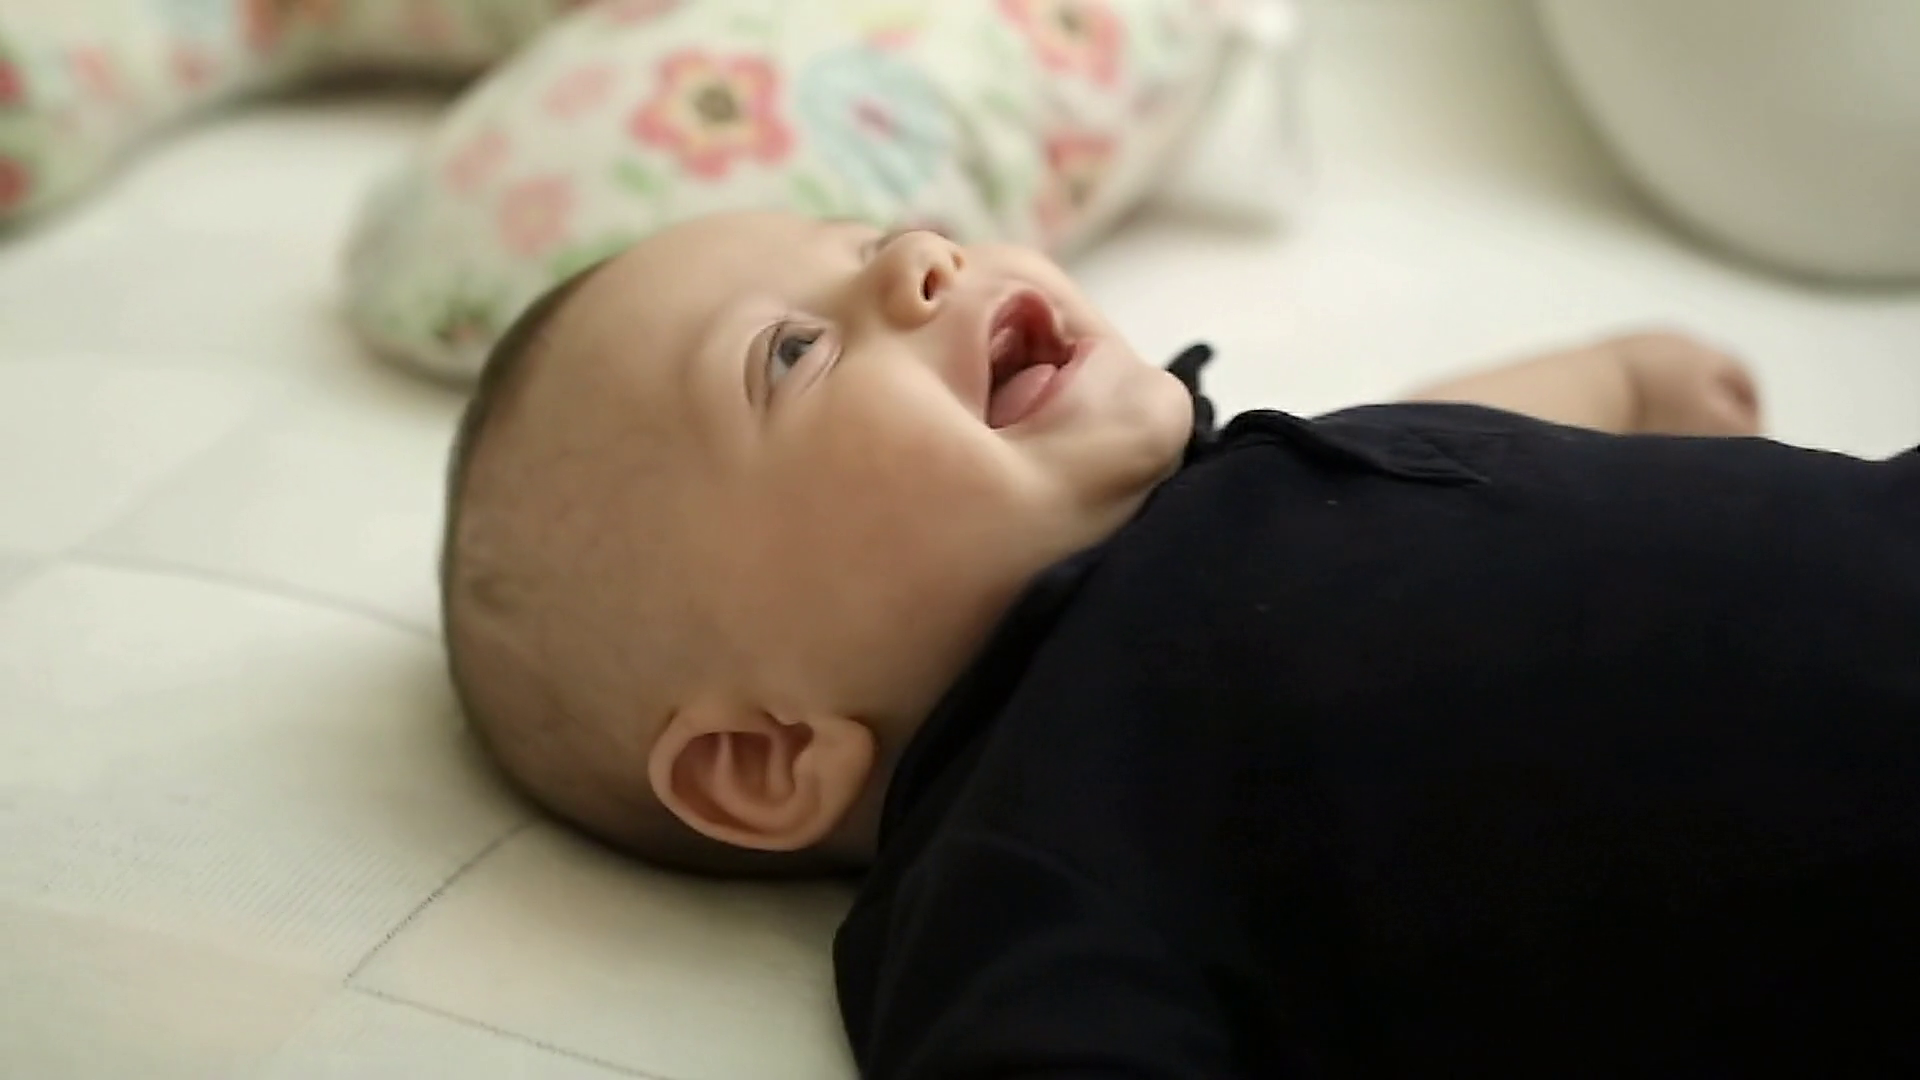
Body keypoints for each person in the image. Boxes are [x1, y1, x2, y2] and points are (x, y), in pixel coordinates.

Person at [439, 210, 1920, 1076]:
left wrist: (1614, 376)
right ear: (767, 757)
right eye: (791, 350)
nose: (918, 259)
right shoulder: (1036, 842)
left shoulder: (1242, 490)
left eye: (874, 231)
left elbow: (1421, 425)